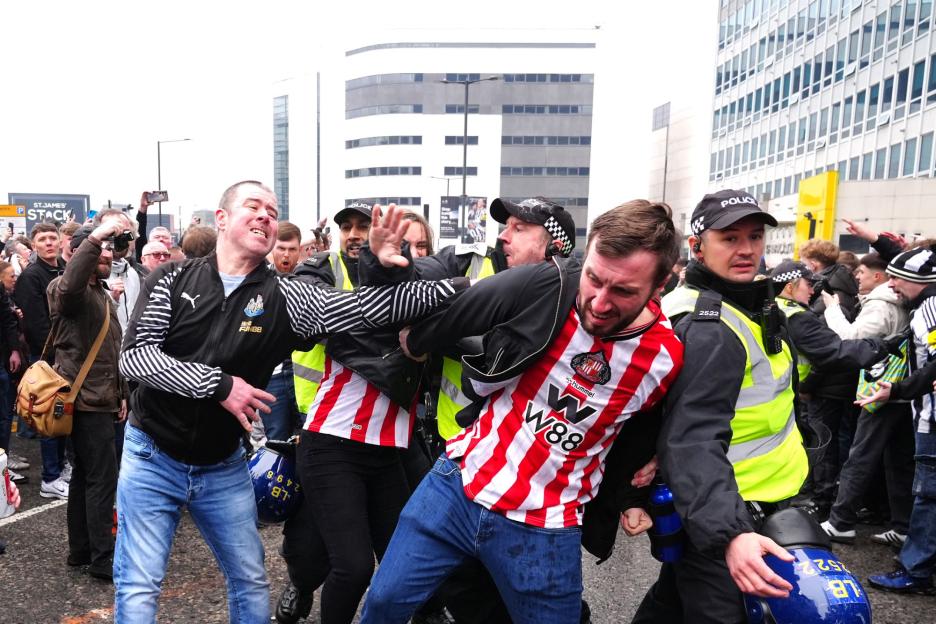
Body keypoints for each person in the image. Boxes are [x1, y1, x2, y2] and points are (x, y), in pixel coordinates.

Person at [114, 180, 464, 623]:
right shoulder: (172, 277)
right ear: (222, 218)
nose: (265, 215)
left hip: (221, 463)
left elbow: (369, 309)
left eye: (272, 210)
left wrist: (454, 285)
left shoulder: (286, 296)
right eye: (253, 206)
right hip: (153, 454)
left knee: (251, 581)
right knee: (140, 585)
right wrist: (220, 385)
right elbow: (136, 357)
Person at [360, 199, 684, 624]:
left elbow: (645, 431)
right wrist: (400, 299)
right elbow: (449, 299)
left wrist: (635, 495)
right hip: (459, 485)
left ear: (660, 285)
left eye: (623, 291)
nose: (599, 303)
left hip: (545, 526)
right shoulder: (550, 287)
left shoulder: (664, 358)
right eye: (593, 279)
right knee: (382, 604)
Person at [633, 190, 809, 624]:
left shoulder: (743, 303)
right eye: (729, 238)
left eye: (754, 236)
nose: (746, 249)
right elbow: (691, 439)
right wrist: (730, 535)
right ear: (698, 247)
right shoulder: (709, 327)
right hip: (730, 511)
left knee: (671, 606)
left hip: (741, 503)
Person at [47, 215, 131, 582]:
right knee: (101, 478)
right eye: (99, 249)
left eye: (110, 249)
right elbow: (70, 288)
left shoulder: (100, 293)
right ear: (81, 252)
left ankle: (80, 550)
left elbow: (111, 350)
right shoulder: (64, 288)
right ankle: (103, 558)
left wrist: (122, 393)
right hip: (85, 401)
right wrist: (95, 238)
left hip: (100, 397)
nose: (107, 254)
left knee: (84, 475)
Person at [855, 243, 936, 594]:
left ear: (920, 281)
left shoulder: (931, 306)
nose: (890, 284)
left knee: (928, 495)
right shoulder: (924, 306)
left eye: (896, 278)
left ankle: (916, 571)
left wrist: (898, 390)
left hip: (932, 420)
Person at [819, 251, 914, 547]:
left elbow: (851, 339)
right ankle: (903, 525)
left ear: (879, 275)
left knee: (860, 455)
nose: (856, 277)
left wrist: (833, 309)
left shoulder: (880, 303)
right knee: (899, 461)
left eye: (861, 272)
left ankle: (840, 522)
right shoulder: (905, 301)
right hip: (905, 388)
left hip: (881, 389)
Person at [15, 223, 68, 498]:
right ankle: (50, 476)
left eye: (52, 238)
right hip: (47, 357)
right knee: (49, 416)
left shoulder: (66, 269)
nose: (48, 243)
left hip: (69, 355)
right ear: (34, 245)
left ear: (60, 242)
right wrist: (59, 351)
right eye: (42, 239)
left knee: (65, 416)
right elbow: (36, 325)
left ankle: (62, 466)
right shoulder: (31, 276)